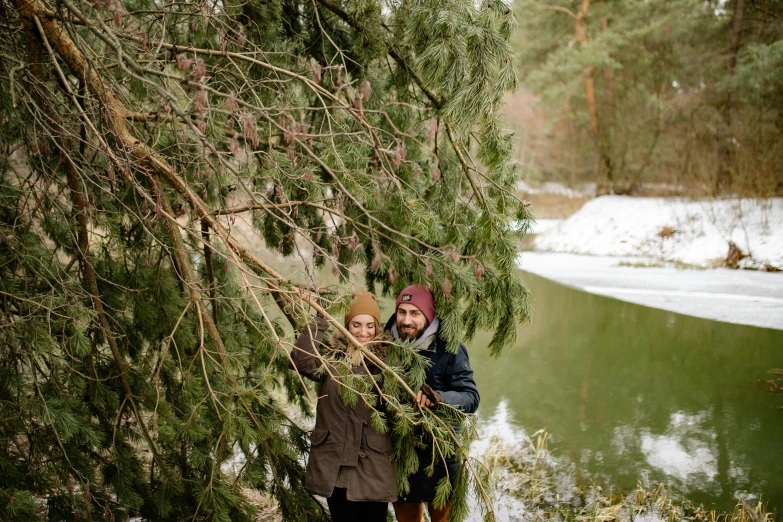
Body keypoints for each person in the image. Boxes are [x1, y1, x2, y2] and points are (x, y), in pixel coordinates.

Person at [290, 291, 396, 522]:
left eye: (370, 326)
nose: (363, 332)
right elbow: (301, 361)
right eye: (356, 325)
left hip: (373, 467)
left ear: (378, 328)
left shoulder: (388, 362)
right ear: (347, 325)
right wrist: (320, 319)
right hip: (335, 464)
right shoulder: (332, 357)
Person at [385, 285, 480, 522]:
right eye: (402, 312)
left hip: (440, 457)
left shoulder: (450, 348)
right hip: (400, 454)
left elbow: (471, 397)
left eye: (415, 313)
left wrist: (441, 398)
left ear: (428, 316)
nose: (406, 320)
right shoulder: (384, 345)